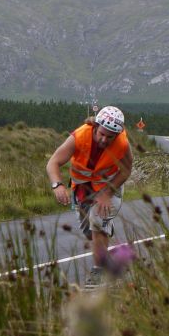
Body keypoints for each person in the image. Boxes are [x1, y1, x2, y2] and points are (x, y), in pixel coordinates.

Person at [46, 105, 133, 288]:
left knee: (97, 222)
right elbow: (53, 162)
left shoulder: (123, 144)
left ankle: (98, 276)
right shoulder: (79, 136)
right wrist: (57, 185)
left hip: (109, 187)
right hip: (82, 190)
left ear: (117, 135)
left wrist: (107, 193)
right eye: (102, 134)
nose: (104, 139)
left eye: (110, 137)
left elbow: (126, 171)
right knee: (90, 232)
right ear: (96, 126)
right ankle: (112, 266)